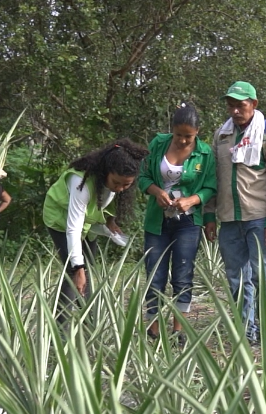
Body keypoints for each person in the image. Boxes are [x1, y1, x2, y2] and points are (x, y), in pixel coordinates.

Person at [204, 81, 266, 346]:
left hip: (260, 216)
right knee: (236, 278)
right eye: (231, 106)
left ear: (254, 104)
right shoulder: (222, 135)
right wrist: (209, 215)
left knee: (263, 276)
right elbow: (213, 176)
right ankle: (245, 331)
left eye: (240, 106)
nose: (235, 111)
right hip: (229, 218)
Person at [43, 139, 148, 323]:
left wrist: (110, 221)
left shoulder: (116, 182)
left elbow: (105, 202)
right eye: (116, 183)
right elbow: (73, 228)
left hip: (87, 223)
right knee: (73, 271)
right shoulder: (81, 182)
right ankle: (60, 329)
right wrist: (78, 267)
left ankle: (90, 322)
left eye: (126, 185)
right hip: (61, 221)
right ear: (105, 171)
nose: (120, 188)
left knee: (89, 270)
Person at [138, 103, 217, 344]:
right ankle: (153, 328)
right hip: (157, 220)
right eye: (178, 135)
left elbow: (211, 186)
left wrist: (192, 200)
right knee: (155, 273)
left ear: (197, 132)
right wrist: (156, 192)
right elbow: (142, 177)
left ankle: (178, 329)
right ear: (172, 129)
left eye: (188, 136)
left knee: (183, 273)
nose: (182, 141)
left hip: (188, 222)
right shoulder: (158, 144)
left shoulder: (205, 153)